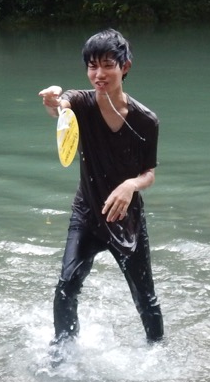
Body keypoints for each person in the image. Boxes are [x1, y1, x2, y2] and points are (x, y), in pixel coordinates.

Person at [38, 29, 164, 345]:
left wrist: (131, 185)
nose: (99, 74)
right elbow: (60, 108)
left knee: (145, 297)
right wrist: (53, 101)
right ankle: (64, 351)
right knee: (66, 285)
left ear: (125, 67)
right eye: (92, 66)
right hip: (87, 213)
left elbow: (149, 173)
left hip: (126, 218)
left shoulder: (146, 120)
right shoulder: (81, 103)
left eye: (108, 65)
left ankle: (158, 352)